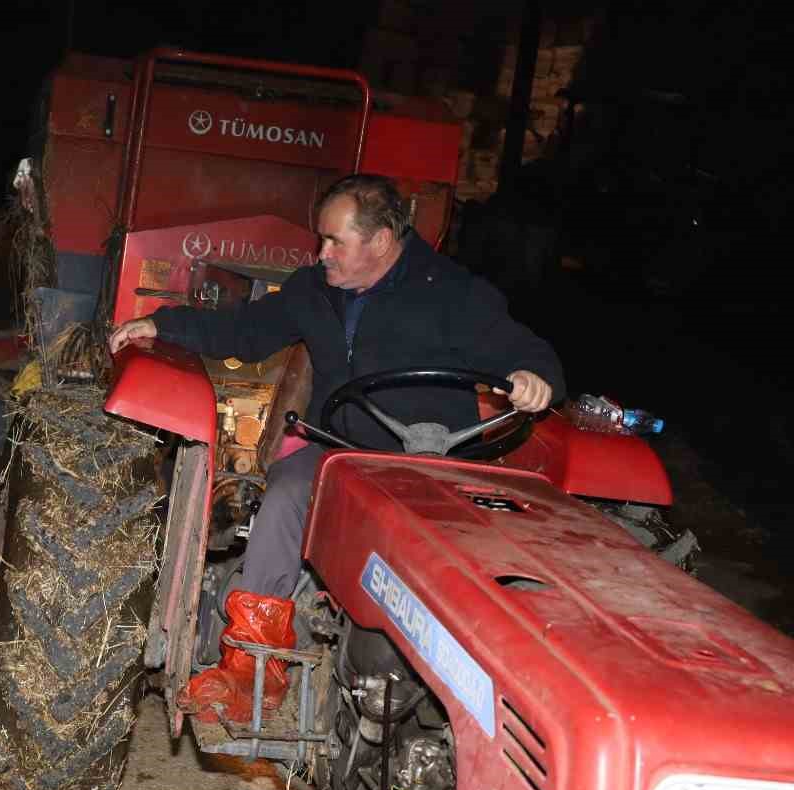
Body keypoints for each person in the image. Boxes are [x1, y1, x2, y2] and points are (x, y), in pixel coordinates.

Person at [107, 173, 564, 719]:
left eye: (334, 242)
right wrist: (160, 326)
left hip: (431, 466)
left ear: (381, 241)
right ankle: (251, 668)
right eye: (320, 239)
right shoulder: (313, 290)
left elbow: (525, 350)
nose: (321, 252)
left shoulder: (454, 293)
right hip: (342, 454)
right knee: (283, 498)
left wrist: (535, 376)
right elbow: (245, 331)